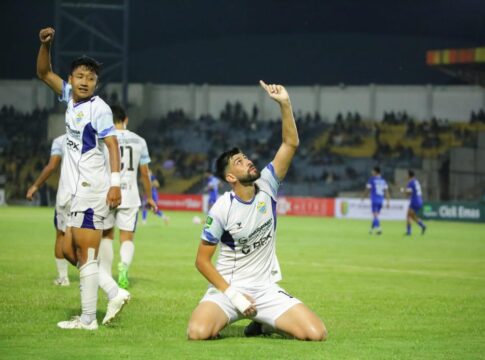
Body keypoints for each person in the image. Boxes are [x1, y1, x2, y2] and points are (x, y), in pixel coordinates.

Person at [187, 81, 327, 341]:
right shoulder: (222, 208)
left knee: (316, 333)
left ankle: (262, 323)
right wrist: (233, 296)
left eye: (246, 157)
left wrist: (285, 103)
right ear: (231, 176)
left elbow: (290, 144)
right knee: (197, 333)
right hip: (229, 290)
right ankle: (249, 318)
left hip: (265, 290)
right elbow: (201, 261)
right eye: (239, 162)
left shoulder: (267, 185)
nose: (248, 161)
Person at [36, 27, 129, 330]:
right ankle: (114, 291)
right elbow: (43, 73)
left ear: (96, 83)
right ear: (72, 79)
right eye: (80, 76)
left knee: (86, 253)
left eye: (91, 78)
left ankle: (88, 319)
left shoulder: (98, 109)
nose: (85, 82)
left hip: (92, 188)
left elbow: (112, 145)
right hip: (75, 190)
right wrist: (45, 45)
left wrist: (115, 183)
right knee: (67, 250)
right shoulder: (70, 98)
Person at [99, 105, 157, 289]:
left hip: (107, 192)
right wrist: (149, 197)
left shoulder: (103, 139)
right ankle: (123, 266)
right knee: (127, 238)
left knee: (106, 235)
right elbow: (145, 174)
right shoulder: (139, 141)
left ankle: (106, 275)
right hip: (130, 195)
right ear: (126, 119)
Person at [26, 134, 71, 286]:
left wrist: (35, 185)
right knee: (91, 236)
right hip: (90, 195)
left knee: (61, 235)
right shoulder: (95, 137)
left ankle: (63, 278)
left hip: (66, 195)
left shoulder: (61, 141)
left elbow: (52, 166)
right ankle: (95, 277)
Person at [363, 166, 390, 235]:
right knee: (376, 215)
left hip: (374, 199)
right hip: (381, 200)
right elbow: (386, 191)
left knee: (375, 216)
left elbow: (367, 189)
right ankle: (371, 229)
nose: (371, 172)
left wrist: (364, 196)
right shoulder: (383, 180)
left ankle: (379, 229)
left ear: (375, 172)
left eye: (372, 171)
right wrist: (388, 201)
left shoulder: (372, 179)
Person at [401, 170, 426, 235]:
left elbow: (409, 192)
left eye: (407, 175)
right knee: (413, 216)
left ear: (409, 175)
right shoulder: (416, 181)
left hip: (414, 201)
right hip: (420, 200)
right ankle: (423, 226)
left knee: (408, 215)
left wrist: (403, 190)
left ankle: (409, 232)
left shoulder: (411, 182)